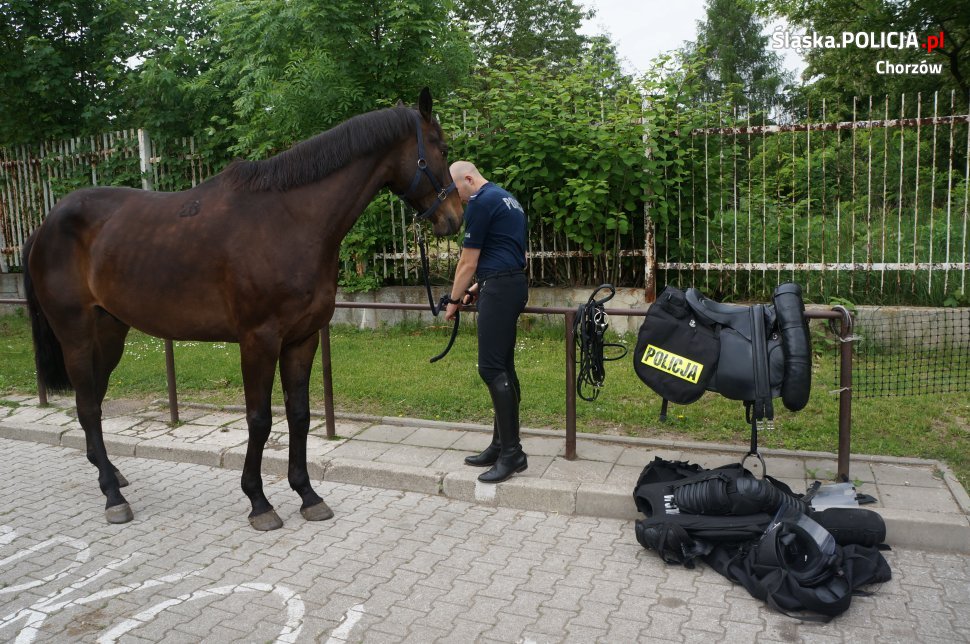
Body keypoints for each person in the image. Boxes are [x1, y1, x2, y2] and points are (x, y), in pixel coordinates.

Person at [445, 161, 529, 483]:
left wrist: (454, 300)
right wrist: (479, 287)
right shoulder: (509, 199)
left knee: (491, 368)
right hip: (510, 283)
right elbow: (513, 255)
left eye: (458, 191)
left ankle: (513, 454)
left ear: (468, 178)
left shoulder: (482, 201)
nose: (460, 200)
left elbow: (468, 261)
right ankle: (500, 446)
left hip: (501, 288)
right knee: (503, 367)